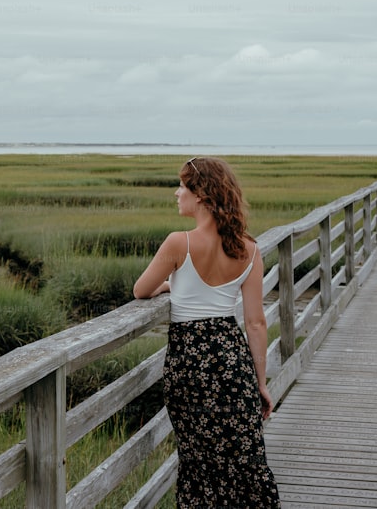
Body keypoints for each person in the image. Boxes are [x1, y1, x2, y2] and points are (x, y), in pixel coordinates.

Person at [133, 156, 281, 508]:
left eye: (182, 186)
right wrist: (260, 383)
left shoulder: (178, 244)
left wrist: (171, 285)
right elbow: (256, 323)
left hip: (190, 366)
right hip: (232, 361)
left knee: (199, 463)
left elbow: (140, 290)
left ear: (200, 195)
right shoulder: (249, 248)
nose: (176, 193)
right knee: (243, 461)